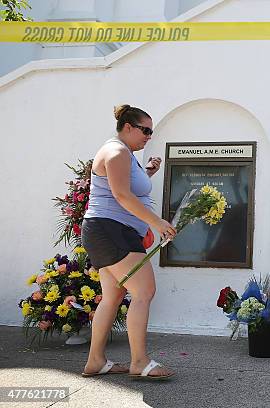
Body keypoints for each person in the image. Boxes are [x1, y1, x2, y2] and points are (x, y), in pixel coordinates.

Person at [81, 105, 177, 379]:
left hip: (109, 231)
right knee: (144, 291)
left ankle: (96, 361)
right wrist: (156, 222)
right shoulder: (116, 151)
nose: (149, 136)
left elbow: (124, 186)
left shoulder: (125, 154)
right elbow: (121, 195)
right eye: (145, 130)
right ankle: (139, 362)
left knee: (113, 296)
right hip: (111, 231)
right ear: (128, 127)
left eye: (151, 131)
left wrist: (146, 172)